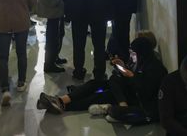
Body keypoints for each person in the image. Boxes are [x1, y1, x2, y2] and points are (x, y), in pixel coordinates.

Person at [37, 37, 168, 125]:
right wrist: (124, 66)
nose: (132, 56)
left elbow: (145, 92)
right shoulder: (140, 61)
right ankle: (61, 100)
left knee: (101, 95)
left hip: (135, 96)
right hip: (124, 87)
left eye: (134, 54)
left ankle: (62, 105)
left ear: (141, 53)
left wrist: (129, 75)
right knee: (96, 83)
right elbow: (129, 76)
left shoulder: (155, 69)